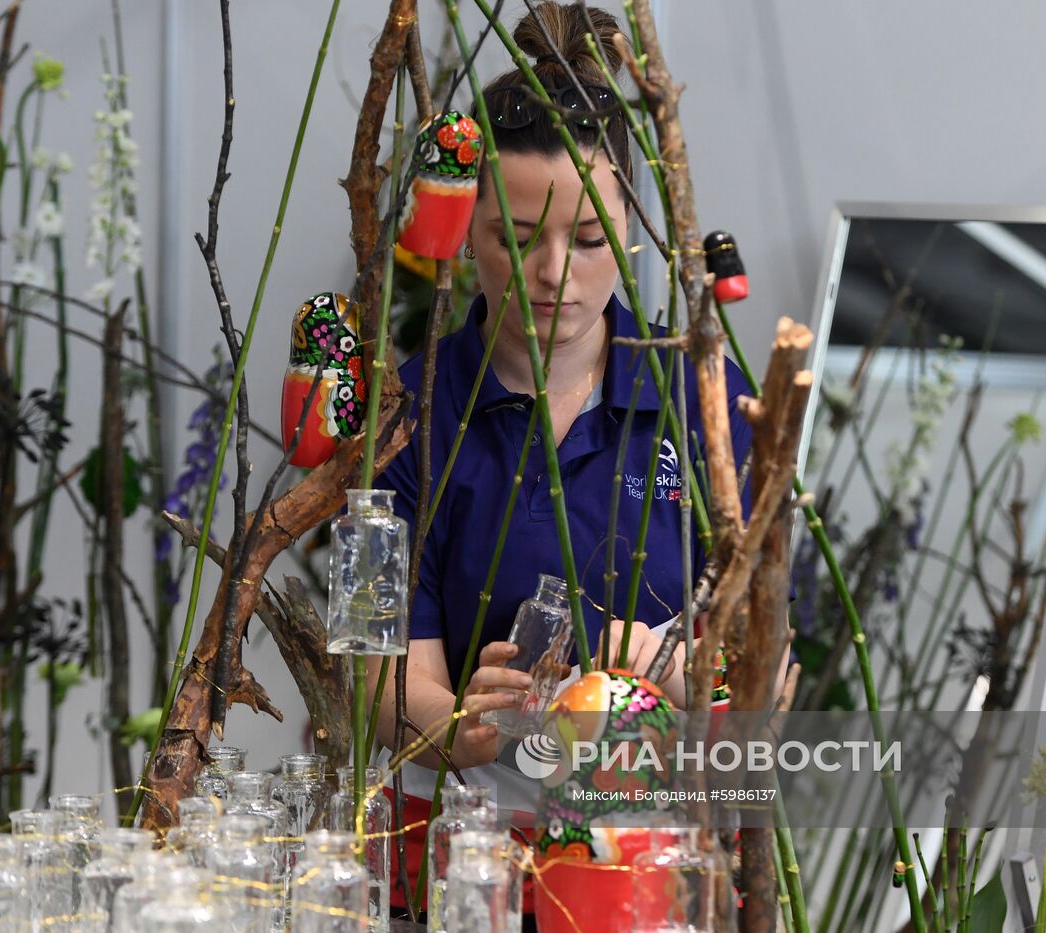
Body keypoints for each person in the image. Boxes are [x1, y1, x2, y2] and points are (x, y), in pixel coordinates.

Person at [369, 0, 756, 920]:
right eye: (517, 237)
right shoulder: (400, 420)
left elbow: (763, 664)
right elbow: (373, 673)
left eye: (587, 241)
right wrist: (459, 723)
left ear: (632, 229)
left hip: (655, 856)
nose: (555, 274)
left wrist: (664, 672)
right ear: (466, 232)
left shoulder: (708, 403)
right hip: (462, 859)